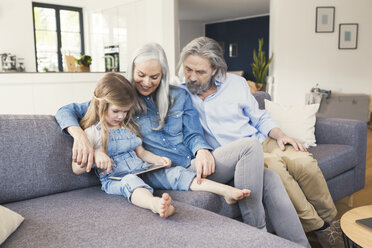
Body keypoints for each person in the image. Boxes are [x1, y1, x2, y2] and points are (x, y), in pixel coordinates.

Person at [55, 43, 310, 247]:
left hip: (192, 162)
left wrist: (201, 149)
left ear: (163, 73)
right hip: (162, 170)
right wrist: (79, 135)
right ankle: (257, 233)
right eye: (141, 75)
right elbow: (70, 109)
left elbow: (193, 133)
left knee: (264, 168)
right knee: (260, 163)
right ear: (132, 71)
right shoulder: (124, 99)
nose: (146, 82)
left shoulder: (179, 95)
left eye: (154, 76)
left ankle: (300, 244)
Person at [177, 36, 343, 248]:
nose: (191, 77)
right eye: (188, 69)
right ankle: (320, 229)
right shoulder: (180, 95)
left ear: (215, 69)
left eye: (199, 72)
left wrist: (281, 135)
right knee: (277, 170)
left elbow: (259, 117)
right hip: (242, 156)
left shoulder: (235, 84)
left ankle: (332, 224)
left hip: (261, 140)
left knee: (305, 162)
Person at [72, 72, 250, 218]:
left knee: (176, 173)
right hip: (115, 180)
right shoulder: (92, 133)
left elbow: (141, 153)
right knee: (131, 181)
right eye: (116, 111)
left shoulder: (128, 127)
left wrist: (157, 160)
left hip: (142, 169)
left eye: (125, 112)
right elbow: (76, 169)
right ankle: (155, 204)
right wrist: (96, 155)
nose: (121, 116)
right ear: (101, 106)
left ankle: (225, 191)